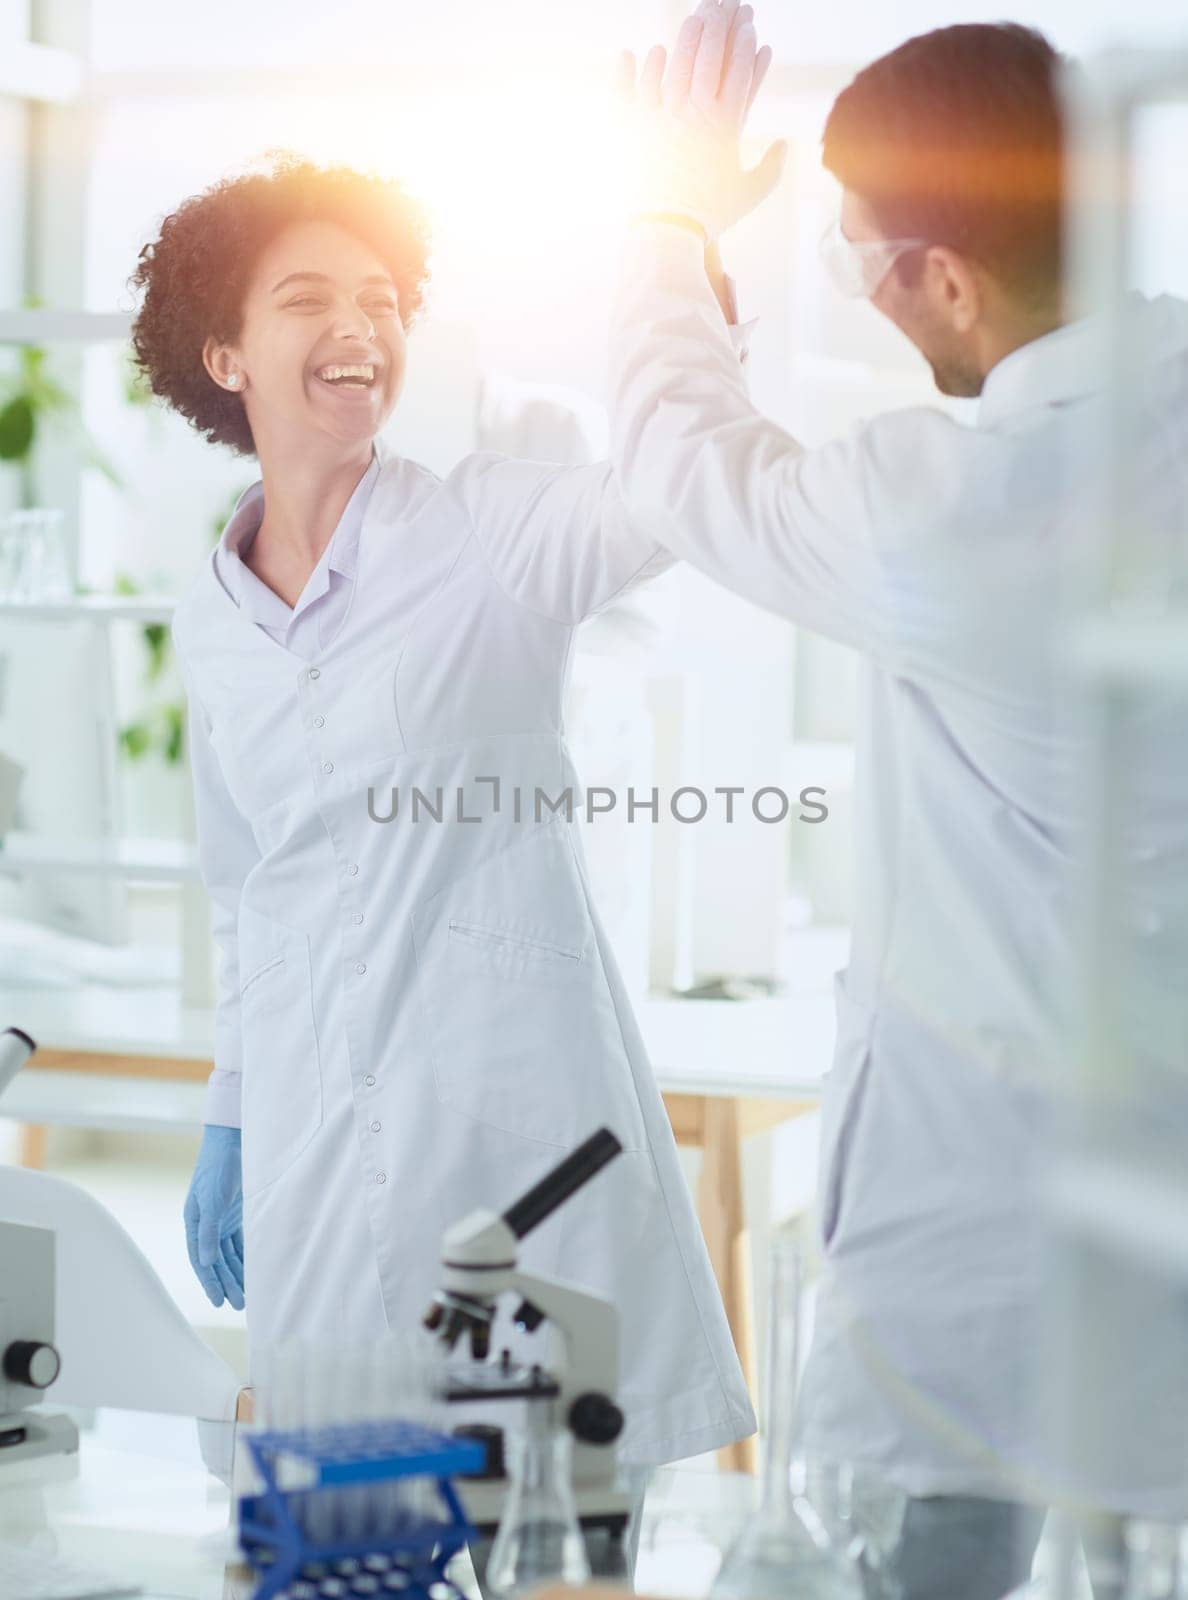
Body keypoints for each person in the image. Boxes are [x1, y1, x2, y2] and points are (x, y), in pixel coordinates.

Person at [612, 4, 1188, 1596]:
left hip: (981, 1258)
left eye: (863, 259)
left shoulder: (956, 508)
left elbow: (680, 457)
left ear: (944, 276)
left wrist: (667, 219)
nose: (864, 301)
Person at [132, 153, 759, 1493]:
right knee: (346, 1569)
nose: (358, 330)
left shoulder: (491, 531)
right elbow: (248, 885)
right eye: (306, 299)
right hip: (316, 1175)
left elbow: (669, 493)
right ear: (225, 355)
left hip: (527, 1165)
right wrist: (231, 1115)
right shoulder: (212, 611)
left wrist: (687, 261)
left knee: (560, 1565)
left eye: (380, 298)